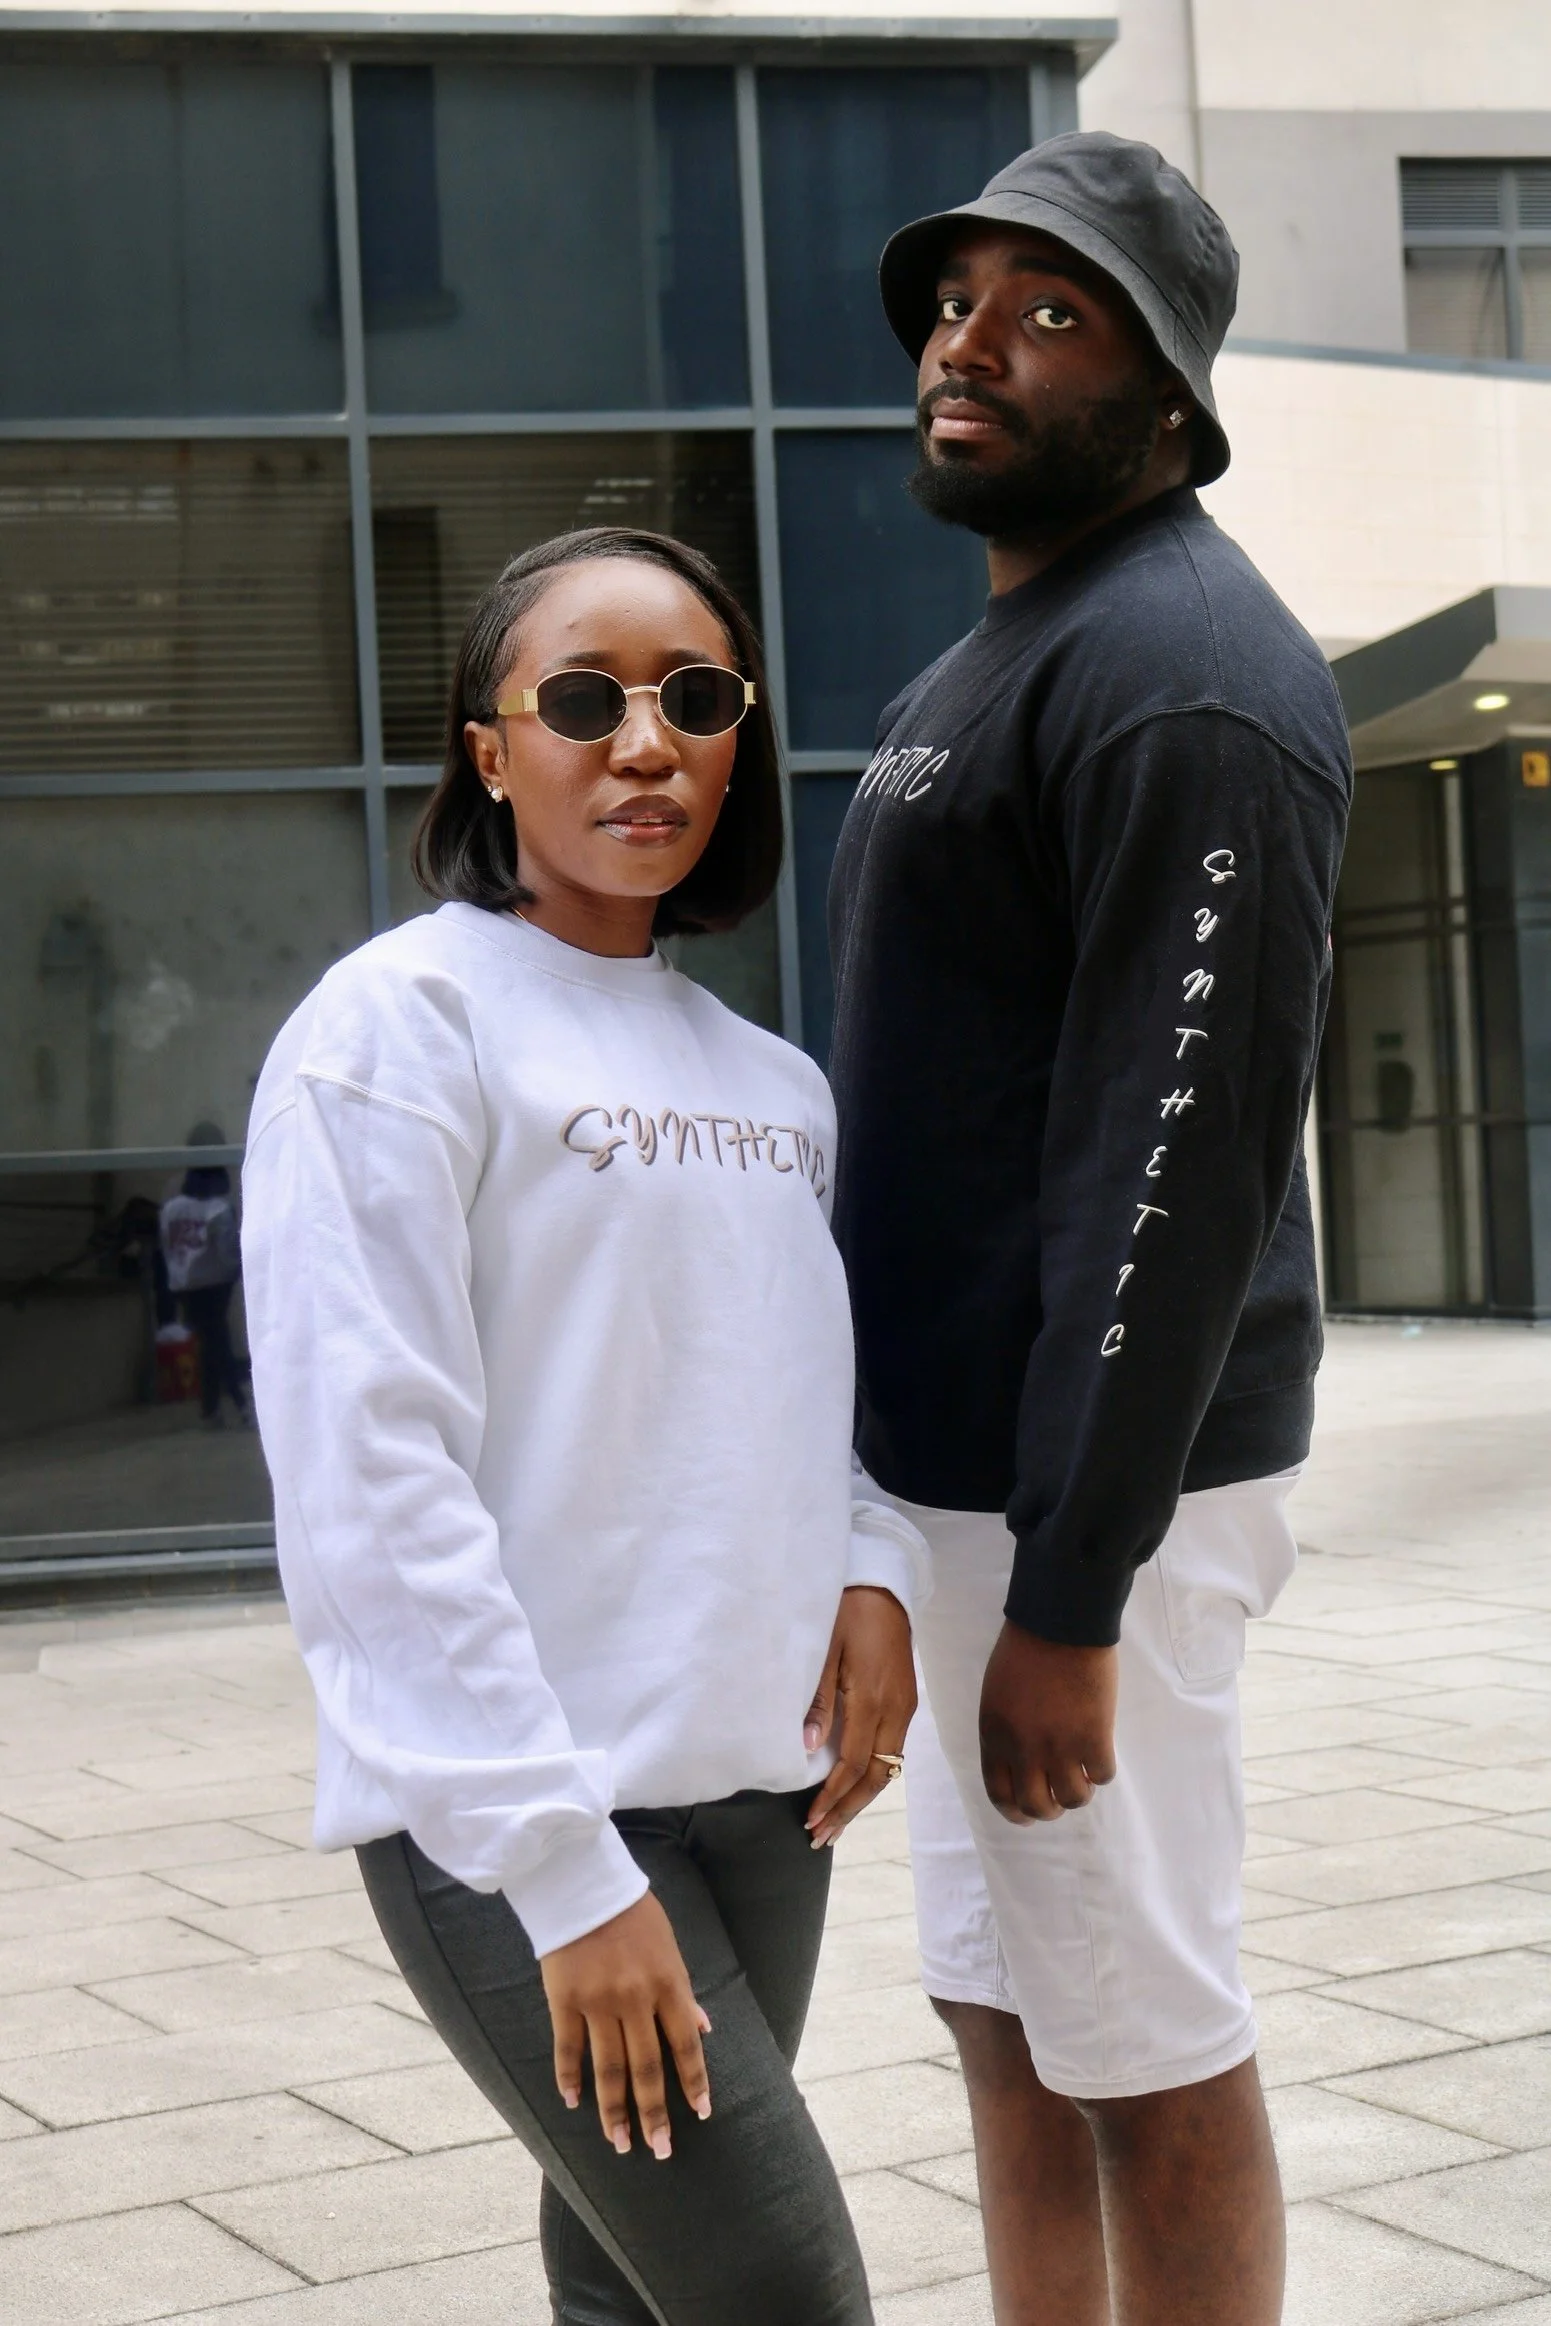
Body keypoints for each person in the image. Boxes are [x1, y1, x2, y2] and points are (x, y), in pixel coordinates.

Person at [242, 527, 926, 2326]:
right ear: (489, 746)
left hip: (763, 1796)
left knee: (638, 2292)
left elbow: (812, 1391)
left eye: (696, 701)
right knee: (788, 2299)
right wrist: (561, 1874)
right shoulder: (399, 1030)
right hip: (522, 1809)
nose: (648, 743)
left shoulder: (773, 1081)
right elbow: (368, 1472)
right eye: (584, 697)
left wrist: (873, 1567)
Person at [827, 134, 1352, 2325]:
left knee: (1139, 2029)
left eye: (1051, 314)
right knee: (1006, 2010)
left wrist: (1070, 1584)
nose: (972, 340)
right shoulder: (1027, 645)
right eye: (959, 299)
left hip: (1091, 1506)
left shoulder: (1188, 673)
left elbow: (1175, 1160)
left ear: (1169, 398)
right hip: (970, 1483)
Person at [158, 1122, 250, 1426]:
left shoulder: (171, 1207)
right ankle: (241, 1404)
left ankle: (211, 1410)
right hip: (215, 1284)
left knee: (210, 1342)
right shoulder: (218, 1210)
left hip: (184, 1283)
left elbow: (166, 1244)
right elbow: (226, 1253)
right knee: (218, 1342)